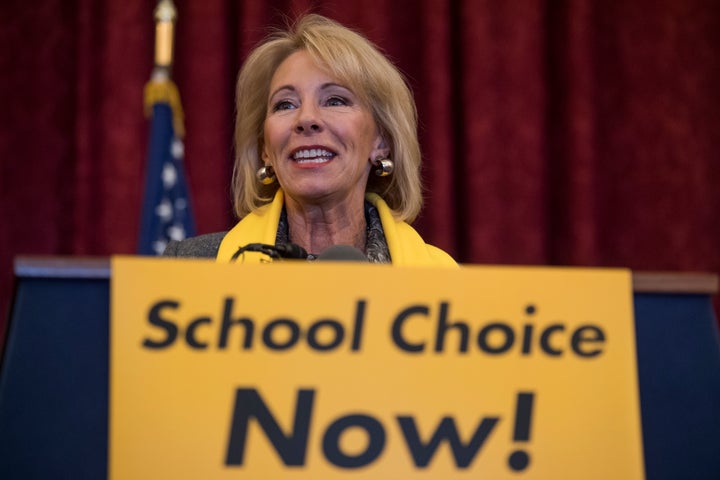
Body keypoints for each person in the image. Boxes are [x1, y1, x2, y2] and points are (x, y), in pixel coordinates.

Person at [164, 14, 456, 267]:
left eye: (335, 100)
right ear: (265, 149)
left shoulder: (444, 281)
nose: (306, 119)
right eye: (285, 105)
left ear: (381, 141)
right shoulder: (192, 267)